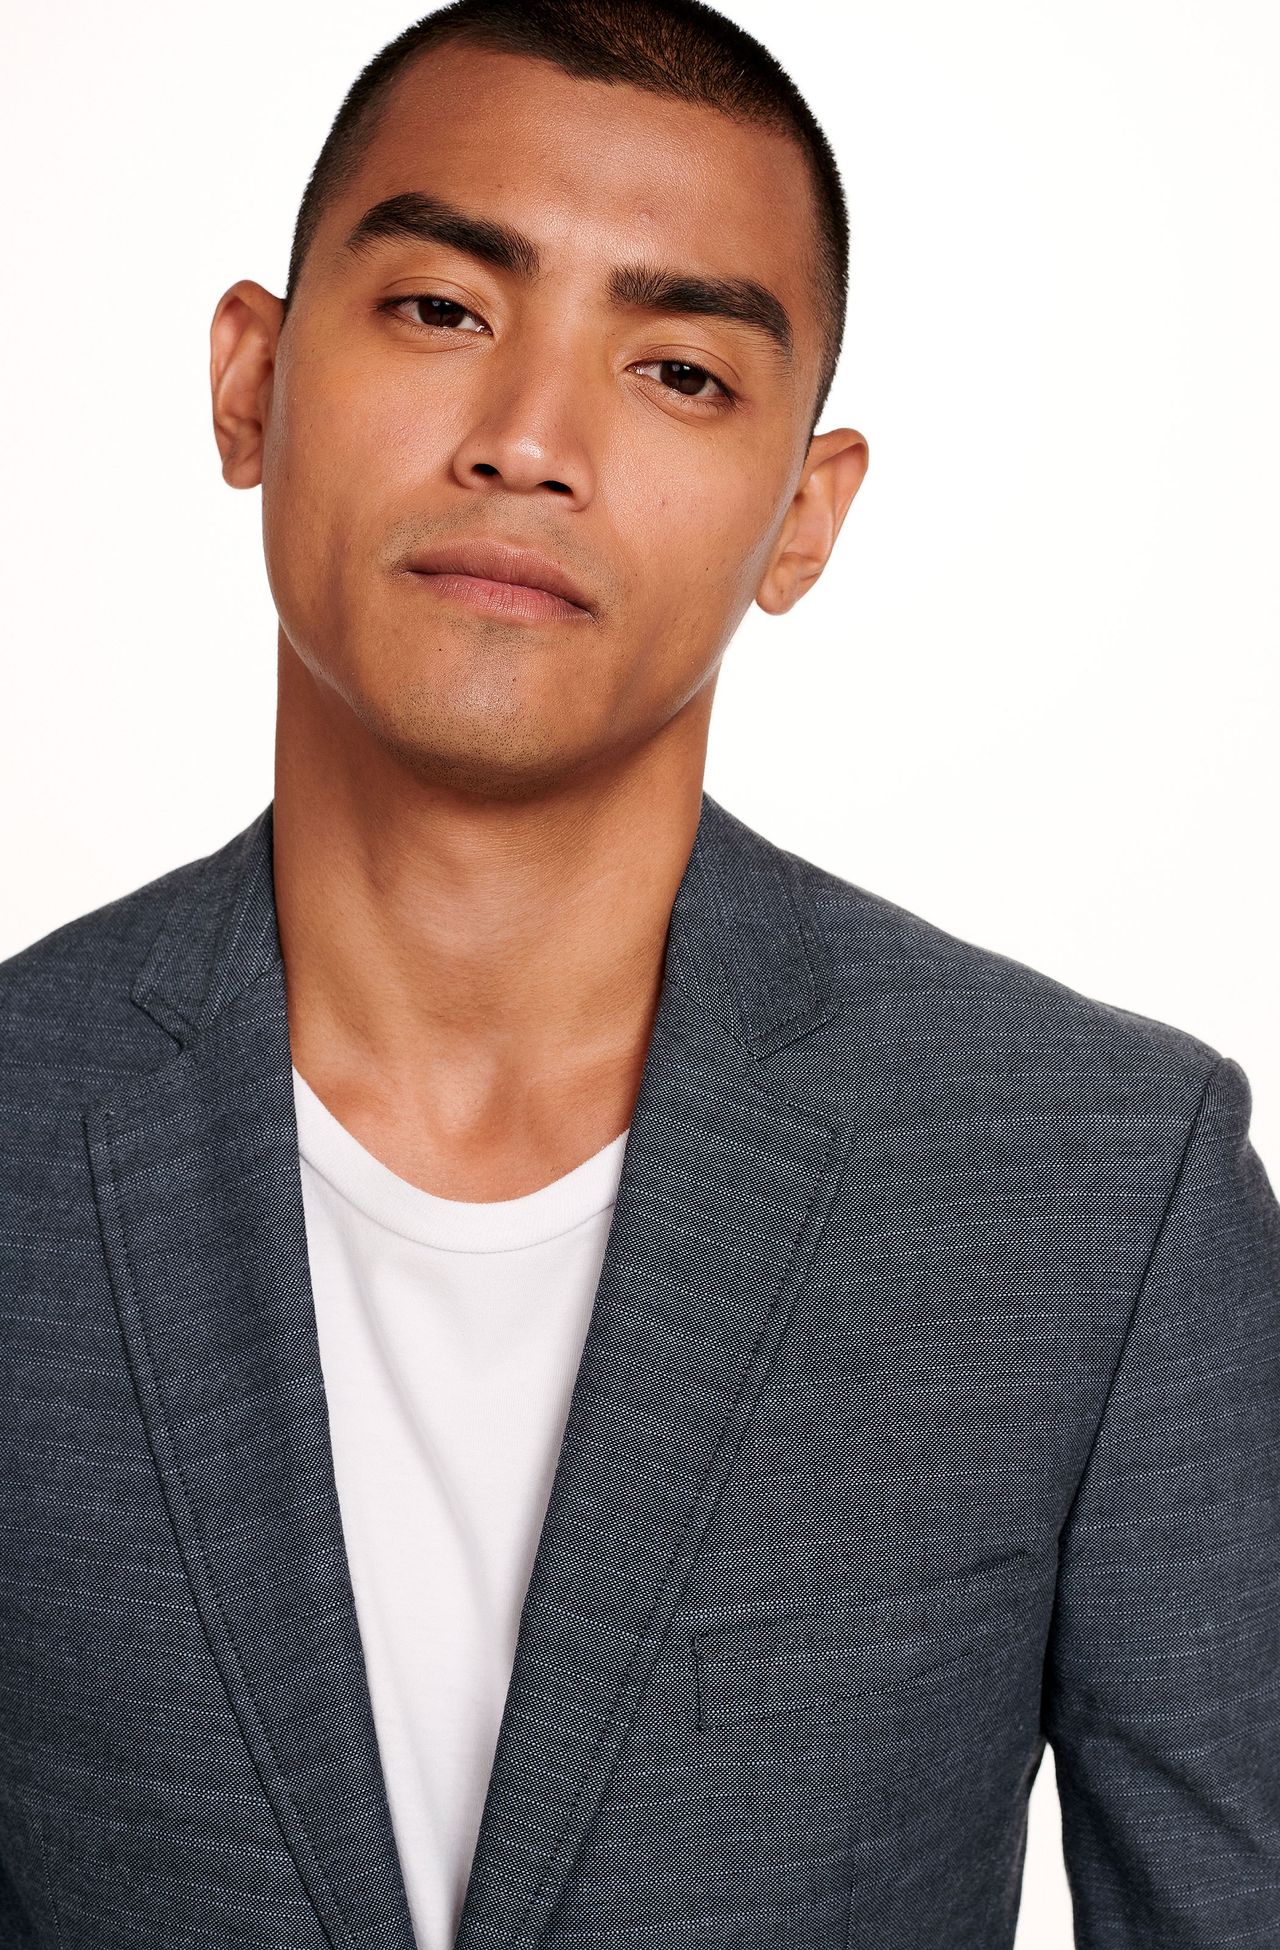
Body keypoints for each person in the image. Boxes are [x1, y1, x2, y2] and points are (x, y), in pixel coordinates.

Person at [0, 1, 1276, 1946]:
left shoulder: (1102, 1187)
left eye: (679, 369)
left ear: (804, 515)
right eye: (441, 308)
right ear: (250, 380)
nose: (530, 439)